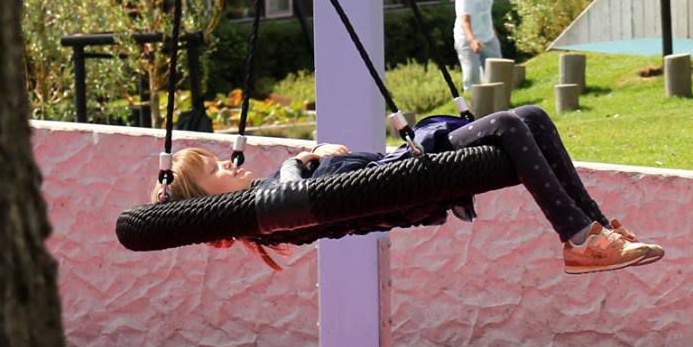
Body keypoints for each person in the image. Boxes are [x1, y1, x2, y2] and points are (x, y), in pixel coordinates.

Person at [158, 105, 664, 275]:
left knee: (530, 116)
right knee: (510, 125)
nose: (228, 163)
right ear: (208, 199)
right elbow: (293, 197)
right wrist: (305, 157)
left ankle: (595, 230)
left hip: (400, 170)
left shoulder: (264, 202)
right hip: (407, 178)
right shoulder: (264, 211)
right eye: (215, 168)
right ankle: (579, 239)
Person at [454, 0, 500, 90]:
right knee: (472, 78)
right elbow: (465, 21)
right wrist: (473, 41)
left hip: (488, 37)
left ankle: (498, 102)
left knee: (497, 73)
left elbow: (485, 12)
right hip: (467, 40)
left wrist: (492, 30)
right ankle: (473, 103)